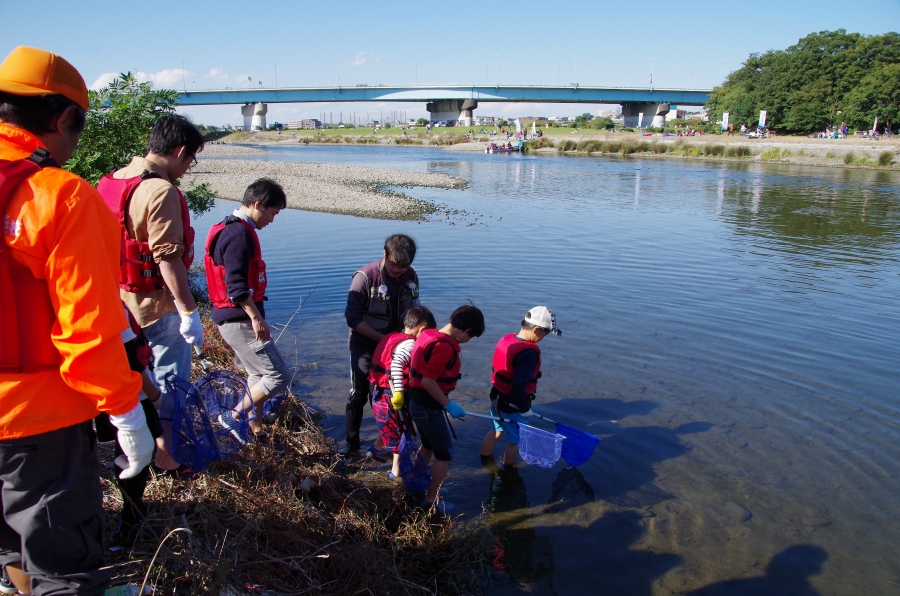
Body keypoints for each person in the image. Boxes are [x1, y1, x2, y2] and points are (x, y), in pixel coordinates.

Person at [0, 46, 152, 594]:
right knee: (63, 568)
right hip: (37, 424)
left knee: (8, 548)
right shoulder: (60, 197)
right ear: (64, 119)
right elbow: (88, 333)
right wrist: (127, 413)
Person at [98, 114, 206, 404]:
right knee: (171, 391)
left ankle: (145, 444)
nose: (185, 170)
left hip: (119, 305)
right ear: (180, 151)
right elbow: (167, 257)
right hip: (158, 309)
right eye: (190, 161)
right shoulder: (160, 190)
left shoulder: (110, 179)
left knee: (136, 388)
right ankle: (168, 446)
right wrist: (188, 313)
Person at [205, 178, 290, 438]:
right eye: (273, 213)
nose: (272, 220)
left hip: (232, 318)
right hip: (238, 319)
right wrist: (256, 317)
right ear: (257, 204)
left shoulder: (231, 228)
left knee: (257, 374)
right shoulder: (238, 234)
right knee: (278, 376)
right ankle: (234, 416)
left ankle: (255, 428)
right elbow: (237, 286)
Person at [343, 234, 421, 453]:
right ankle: (352, 446)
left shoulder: (411, 276)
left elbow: (415, 308)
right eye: (394, 265)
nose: (398, 270)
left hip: (396, 349)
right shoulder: (364, 278)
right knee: (359, 395)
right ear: (385, 254)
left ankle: (386, 445)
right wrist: (385, 340)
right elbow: (352, 318)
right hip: (365, 346)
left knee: (391, 395)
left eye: (403, 267)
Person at [408, 305, 485, 509]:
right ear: (466, 331)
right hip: (427, 406)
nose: (469, 341)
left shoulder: (428, 334)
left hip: (416, 402)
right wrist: (448, 404)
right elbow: (428, 381)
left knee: (428, 446)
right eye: (471, 337)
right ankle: (430, 500)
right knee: (445, 454)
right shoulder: (444, 347)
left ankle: (415, 485)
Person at [480, 307, 562, 469]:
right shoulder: (528, 353)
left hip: (496, 397)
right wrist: (525, 408)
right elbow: (518, 385)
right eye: (544, 334)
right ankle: (509, 471)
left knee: (497, 430)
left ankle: (484, 459)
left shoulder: (507, 340)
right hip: (513, 405)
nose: (543, 338)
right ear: (537, 329)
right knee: (515, 441)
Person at [367, 306, 437, 478]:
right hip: (391, 395)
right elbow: (396, 365)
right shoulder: (409, 343)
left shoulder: (393, 336)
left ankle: (375, 450)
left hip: (379, 391)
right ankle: (395, 475)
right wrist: (398, 393)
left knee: (390, 425)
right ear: (421, 329)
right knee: (401, 436)